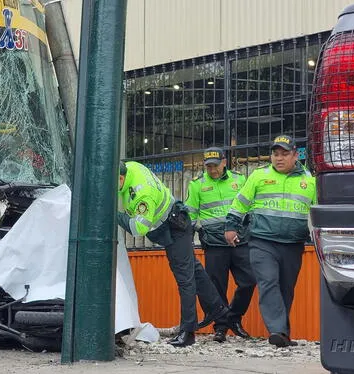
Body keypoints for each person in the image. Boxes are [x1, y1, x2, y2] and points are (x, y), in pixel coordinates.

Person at [118, 161, 229, 347]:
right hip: (175, 221)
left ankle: (188, 332)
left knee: (185, 279)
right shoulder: (130, 166)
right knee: (194, 270)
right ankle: (218, 310)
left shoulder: (141, 192)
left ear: (121, 178)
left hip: (175, 227)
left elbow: (138, 229)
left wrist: (113, 215)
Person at [224, 135, 316, 348]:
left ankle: (283, 334)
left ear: (295, 155)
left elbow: (318, 211)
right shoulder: (259, 176)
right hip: (262, 241)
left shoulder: (310, 180)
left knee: (286, 288)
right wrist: (231, 226)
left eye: (284, 154)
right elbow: (240, 203)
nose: (279, 158)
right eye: (276, 154)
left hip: (293, 244)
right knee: (268, 282)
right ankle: (277, 330)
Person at [185, 147, 255, 343]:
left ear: (224, 162)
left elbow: (249, 206)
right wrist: (187, 239)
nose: (212, 169)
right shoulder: (197, 185)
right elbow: (190, 213)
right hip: (214, 243)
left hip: (240, 240)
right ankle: (221, 326)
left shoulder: (240, 180)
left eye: (215, 165)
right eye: (208, 166)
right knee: (217, 287)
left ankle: (234, 317)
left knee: (249, 280)